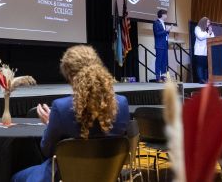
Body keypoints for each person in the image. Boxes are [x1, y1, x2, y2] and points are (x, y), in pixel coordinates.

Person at [11, 45, 129, 182]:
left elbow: (47, 150)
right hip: (108, 174)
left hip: (64, 175)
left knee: (16, 177)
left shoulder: (61, 108)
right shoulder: (122, 103)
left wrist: (50, 122)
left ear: (69, 74)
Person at [193, 17, 214, 83]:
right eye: (208, 22)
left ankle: (206, 79)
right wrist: (208, 33)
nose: (208, 24)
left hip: (207, 51)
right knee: (200, 66)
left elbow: (213, 38)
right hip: (200, 51)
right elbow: (200, 37)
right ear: (203, 22)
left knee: (205, 66)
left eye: (209, 23)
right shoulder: (197, 28)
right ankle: (201, 79)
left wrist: (210, 33)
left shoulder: (207, 30)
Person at [153, 10, 171, 82]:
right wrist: (166, 31)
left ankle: (163, 77)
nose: (166, 16)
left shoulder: (164, 23)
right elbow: (157, 33)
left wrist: (168, 30)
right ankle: (158, 77)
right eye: (165, 14)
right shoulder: (156, 23)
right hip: (159, 45)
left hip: (165, 45)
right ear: (162, 15)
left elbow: (164, 34)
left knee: (164, 62)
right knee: (159, 61)